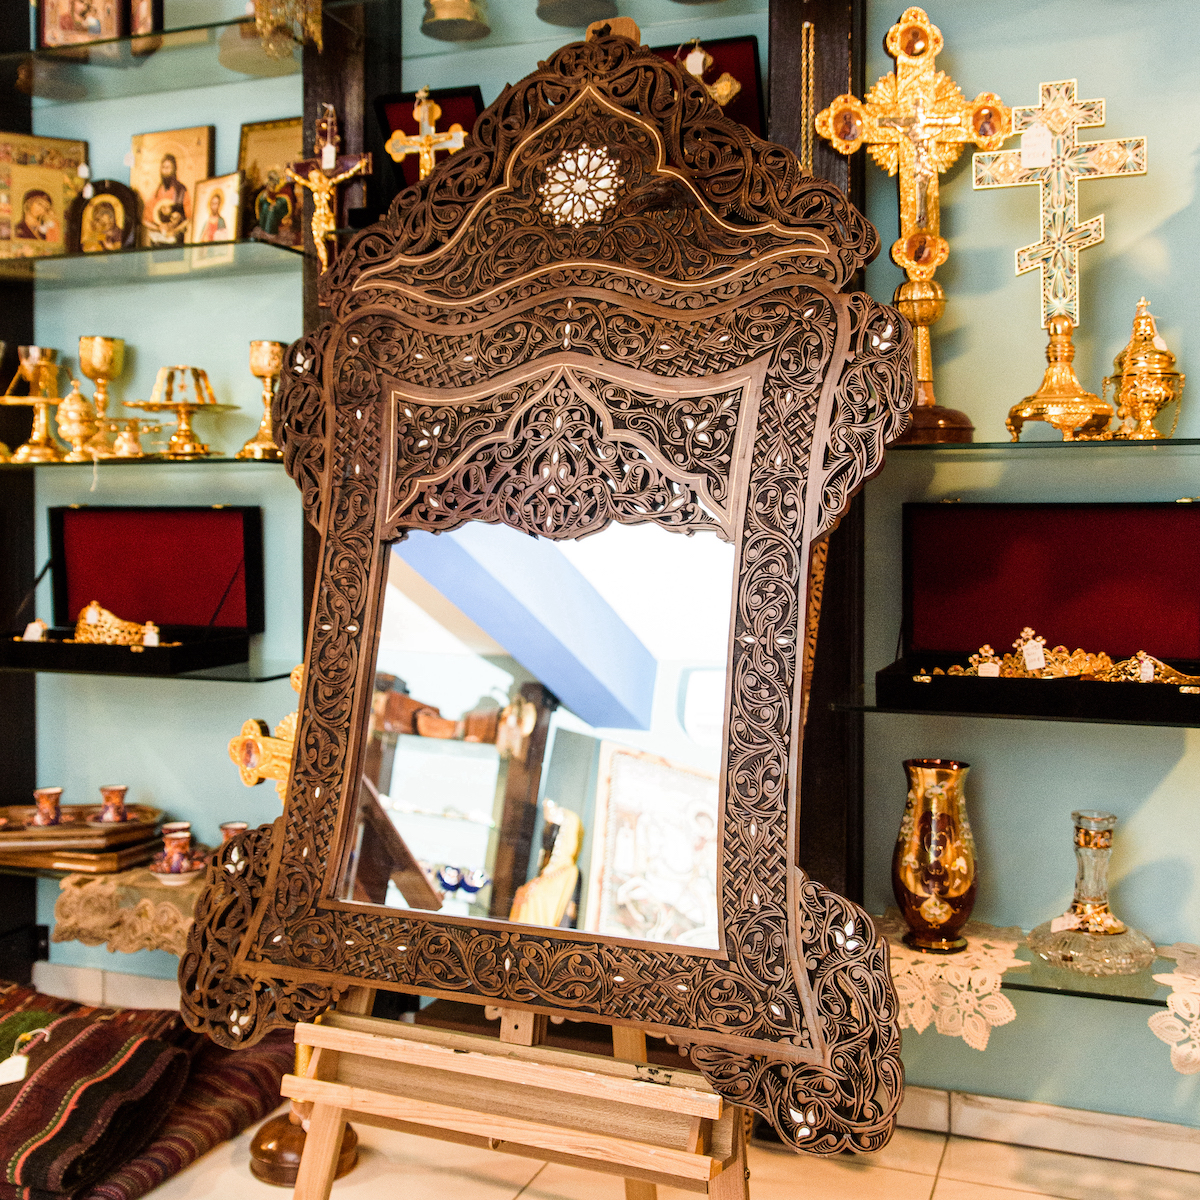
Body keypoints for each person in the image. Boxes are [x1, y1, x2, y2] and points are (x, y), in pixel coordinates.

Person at [144, 153, 191, 245]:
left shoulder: (181, 191)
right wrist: (159, 228)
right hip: (158, 240)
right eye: (163, 167)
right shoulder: (156, 192)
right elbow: (146, 220)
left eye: (168, 167)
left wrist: (175, 230)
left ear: (174, 169)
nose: (165, 170)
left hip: (176, 239)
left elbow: (188, 218)